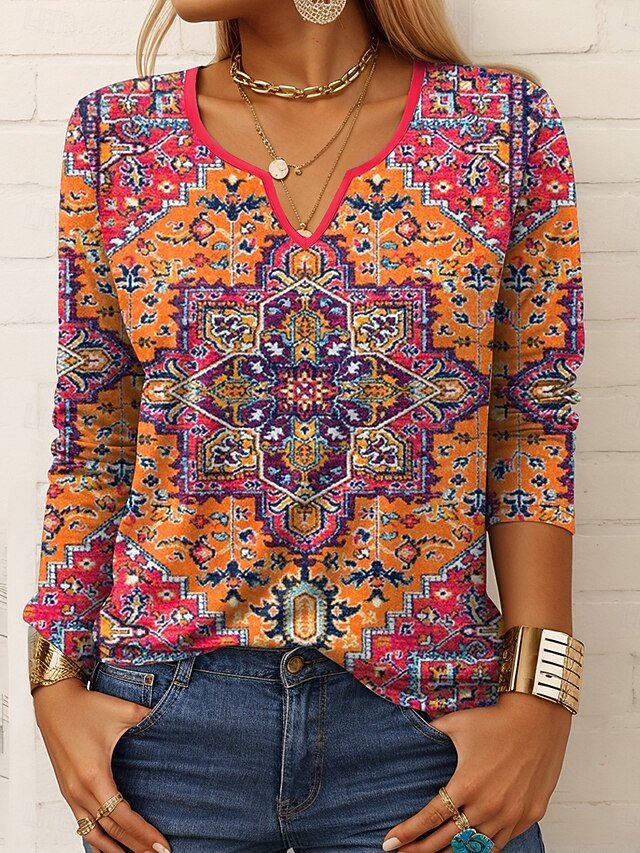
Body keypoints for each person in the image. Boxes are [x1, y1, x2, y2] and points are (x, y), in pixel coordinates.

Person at [23, 1, 586, 851]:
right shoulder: (117, 136)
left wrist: (542, 698)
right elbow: (93, 432)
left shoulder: (500, 128)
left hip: (429, 730)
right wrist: (52, 681)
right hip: (165, 730)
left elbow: (531, 423)